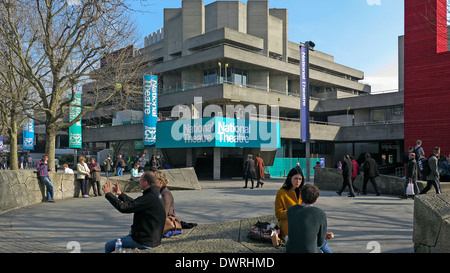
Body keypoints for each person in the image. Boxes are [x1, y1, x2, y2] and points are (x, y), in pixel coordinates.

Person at [103, 171, 166, 253]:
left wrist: (108, 194)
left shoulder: (149, 197)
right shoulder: (154, 194)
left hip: (145, 240)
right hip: (153, 237)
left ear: (145, 183)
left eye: (140, 180)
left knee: (109, 245)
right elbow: (135, 203)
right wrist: (120, 194)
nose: (139, 182)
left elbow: (124, 208)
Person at [286, 184, 331, 253]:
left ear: (301, 196)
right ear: (316, 199)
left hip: (291, 250)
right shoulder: (320, 213)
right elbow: (320, 243)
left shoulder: (290, 210)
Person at [274, 166, 304, 240]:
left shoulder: (303, 191)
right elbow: (278, 214)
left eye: (300, 179)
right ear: (290, 178)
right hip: (288, 224)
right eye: (295, 178)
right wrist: (294, 211)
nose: (298, 181)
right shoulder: (281, 193)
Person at [155, 170, 182, 237]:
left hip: (167, 223)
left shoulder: (165, 193)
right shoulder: (159, 192)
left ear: (161, 181)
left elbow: (164, 213)